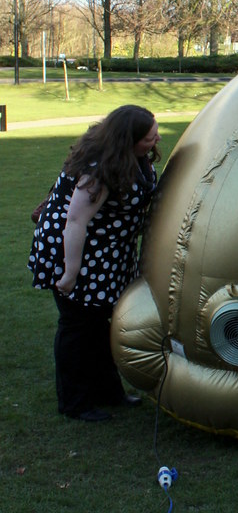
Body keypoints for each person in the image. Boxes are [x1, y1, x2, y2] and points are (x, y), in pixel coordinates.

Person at [28, 104, 160, 422]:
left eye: (156, 135)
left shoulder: (134, 157)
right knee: (77, 327)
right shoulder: (101, 167)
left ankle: (108, 392)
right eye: (148, 138)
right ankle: (74, 402)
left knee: (101, 324)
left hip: (107, 252)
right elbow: (75, 220)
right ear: (126, 140)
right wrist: (71, 273)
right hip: (75, 250)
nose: (155, 142)